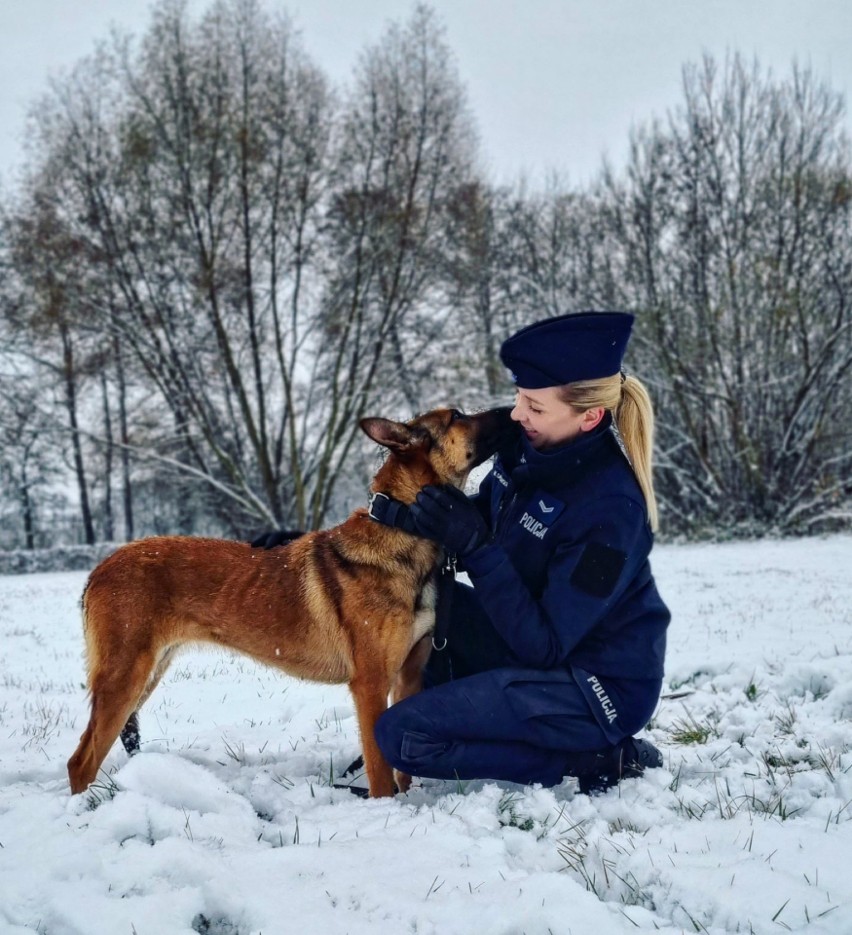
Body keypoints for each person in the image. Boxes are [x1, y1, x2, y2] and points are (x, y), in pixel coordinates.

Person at [371, 311, 670, 794]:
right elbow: (471, 521)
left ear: (589, 415)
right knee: (419, 606)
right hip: (527, 643)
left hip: (592, 687)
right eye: (519, 398)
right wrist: (320, 540)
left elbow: (546, 645)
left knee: (402, 736)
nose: (516, 414)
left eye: (534, 405)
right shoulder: (530, 450)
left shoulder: (613, 511)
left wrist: (477, 546)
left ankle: (592, 757)